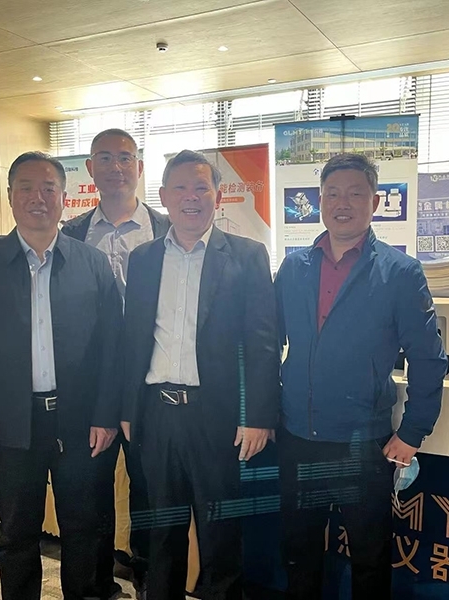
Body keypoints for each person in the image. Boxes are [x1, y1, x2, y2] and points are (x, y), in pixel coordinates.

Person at [274, 153, 448, 600]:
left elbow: (428, 358)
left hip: (363, 445)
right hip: (299, 438)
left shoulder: (400, 272)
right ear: (319, 202)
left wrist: (412, 432)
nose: (342, 203)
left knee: (370, 557)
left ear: (375, 202)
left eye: (355, 193)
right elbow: (266, 343)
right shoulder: (294, 268)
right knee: (298, 551)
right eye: (332, 193)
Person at [0, 152, 122, 600]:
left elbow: (112, 349)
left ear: (64, 197)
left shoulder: (92, 263)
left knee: (84, 529)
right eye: (26, 187)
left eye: (49, 188)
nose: (38, 197)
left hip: (81, 423)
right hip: (11, 424)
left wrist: (106, 415)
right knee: (17, 533)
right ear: (10, 195)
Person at [120, 150, 279, 600]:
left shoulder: (247, 255)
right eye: (180, 188)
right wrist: (128, 409)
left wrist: (257, 416)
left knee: (220, 533)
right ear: (164, 196)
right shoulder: (143, 258)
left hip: (217, 418)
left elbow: (263, 342)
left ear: (218, 196)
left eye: (201, 188)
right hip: (156, 416)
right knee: (160, 532)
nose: (191, 197)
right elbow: (134, 339)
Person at [61, 128, 169, 599]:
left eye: (125, 157)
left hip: (154, 387)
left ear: (139, 167)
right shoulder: (69, 234)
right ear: (90, 169)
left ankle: (149, 581)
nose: (115, 167)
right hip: (91, 390)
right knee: (90, 494)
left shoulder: (169, 229)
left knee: (151, 493)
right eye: (104, 158)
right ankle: (97, 585)